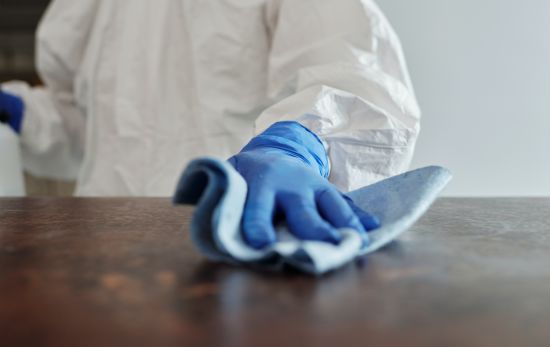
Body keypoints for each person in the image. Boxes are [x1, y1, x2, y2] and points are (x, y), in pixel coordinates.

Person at [0, 0, 420, 249]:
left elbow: (355, 73)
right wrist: (23, 113)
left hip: (240, 234)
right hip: (102, 246)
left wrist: (299, 142)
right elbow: (85, 132)